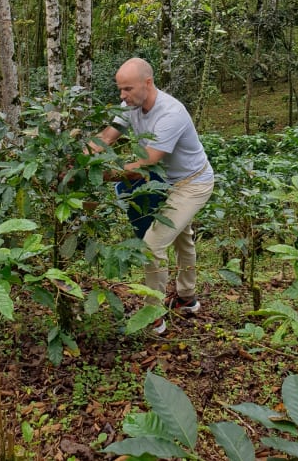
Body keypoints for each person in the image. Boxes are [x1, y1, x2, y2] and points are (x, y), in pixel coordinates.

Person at [91, 57, 214, 335]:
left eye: (128, 89)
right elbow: (107, 137)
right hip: (164, 182)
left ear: (148, 83)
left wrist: (103, 174)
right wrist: (79, 159)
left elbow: (145, 164)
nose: (122, 96)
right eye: (120, 89)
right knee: (183, 238)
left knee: (152, 245)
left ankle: (153, 316)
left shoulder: (172, 113)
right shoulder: (130, 106)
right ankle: (187, 298)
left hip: (193, 183)